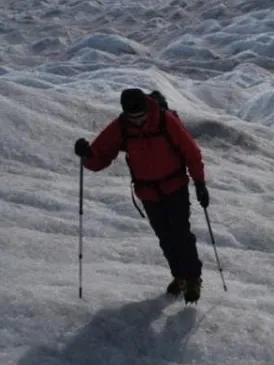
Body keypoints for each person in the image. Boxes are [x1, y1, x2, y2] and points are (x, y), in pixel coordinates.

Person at [73, 88, 210, 303]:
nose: (137, 121)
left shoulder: (165, 121)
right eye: (132, 117)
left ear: (147, 108)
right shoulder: (121, 126)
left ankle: (193, 278)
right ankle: (179, 276)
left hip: (175, 187)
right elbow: (100, 157)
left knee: (180, 234)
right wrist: (87, 154)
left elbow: (190, 151)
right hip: (147, 192)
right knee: (165, 237)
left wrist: (200, 182)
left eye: (141, 116)